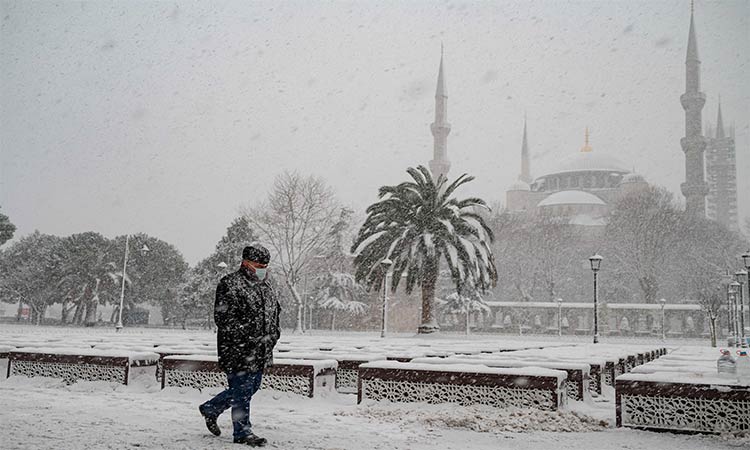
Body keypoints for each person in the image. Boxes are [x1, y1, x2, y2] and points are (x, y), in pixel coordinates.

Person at [199, 244, 281, 447]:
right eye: (258, 264)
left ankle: (211, 408)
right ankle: (242, 432)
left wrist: (273, 336)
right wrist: (249, 337)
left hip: (261, 350)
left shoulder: (267, 287)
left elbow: (275, 314)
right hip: (238, 350)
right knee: (242, 391)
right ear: (245, 263)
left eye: (265, 265)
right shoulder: (230, 283)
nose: (262, 268)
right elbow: (224, 318)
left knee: (251, 387)